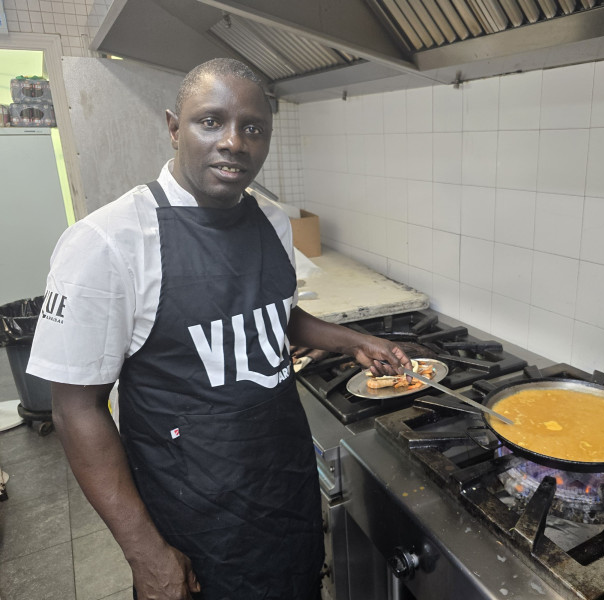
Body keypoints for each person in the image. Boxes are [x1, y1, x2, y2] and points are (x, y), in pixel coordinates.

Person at [26, 58, 411, 600]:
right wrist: (146, 554)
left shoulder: (271, 220)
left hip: (282, 490)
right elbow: (74, 409)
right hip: (192, 517)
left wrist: (356, 341)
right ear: (173, 126)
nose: (234, 142)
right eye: (212, 121)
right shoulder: (110, 241)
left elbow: (275, 314)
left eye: (253, 128)